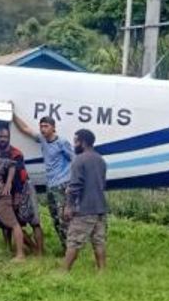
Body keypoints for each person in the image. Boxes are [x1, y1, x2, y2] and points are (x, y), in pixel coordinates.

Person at [14, 114, 75, 251]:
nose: (43, 129)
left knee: (64, 219)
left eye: (46, 126)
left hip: (62, 185)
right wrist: (13, 115)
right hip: (51, 185)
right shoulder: (42, 139)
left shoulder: (62, 142)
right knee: (55, 219)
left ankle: (71, 250)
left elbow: (74, 161)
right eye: (41, 126)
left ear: (53, 128)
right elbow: (25, 129)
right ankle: (65, 248)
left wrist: (71, 184)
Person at [0, 125, 43, 255]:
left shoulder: (16, 154)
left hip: (23, 188)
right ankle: (9, 248)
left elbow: (20, 176)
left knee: (34, 221)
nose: (2, 139)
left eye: (5, 137)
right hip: (6, 190)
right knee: (7, 221)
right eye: (0, 136)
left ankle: (39, 252)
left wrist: (18, 195)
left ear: (9, 138)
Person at [61, 129, 108, 272]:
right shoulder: (101, 160)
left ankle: (63, 272)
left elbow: (75, 186)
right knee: (99, 241)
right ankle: (102, 271)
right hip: (100, 208)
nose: (74, 144)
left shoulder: (79, 160)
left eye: (76, 141)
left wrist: (69, 206)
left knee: (74, 241)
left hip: (84, 209)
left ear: (83, 142)